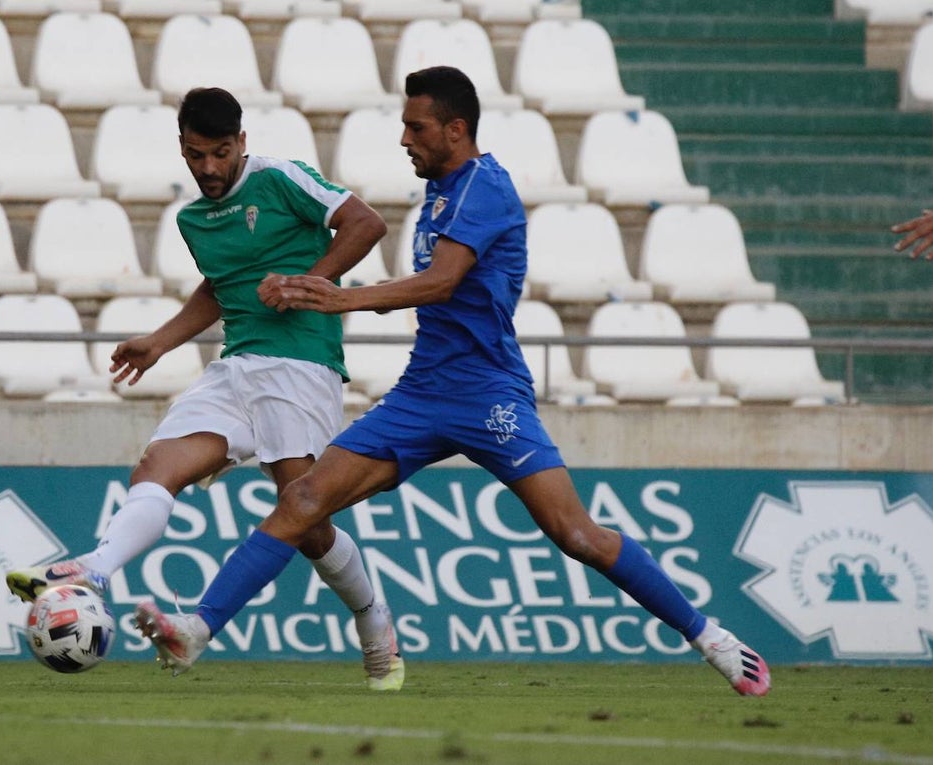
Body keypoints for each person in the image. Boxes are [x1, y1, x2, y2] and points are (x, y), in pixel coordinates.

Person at [133, 67, 772, 698]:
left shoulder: (484, 188)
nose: (405, 139)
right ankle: (198, 628)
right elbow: (419, 293)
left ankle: (711, 638)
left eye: (416, 127)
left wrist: (334, 296)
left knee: (576, 535)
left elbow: (440, 283)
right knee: (303, 501)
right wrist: (343, 293)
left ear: (455, 129)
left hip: (489, 394)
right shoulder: (437, 195)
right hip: (421, 394)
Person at [6, 86, 405, 692]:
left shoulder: (279, 179)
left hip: (299, 364)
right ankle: (93, 569)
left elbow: (365, 223)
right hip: (235, 366)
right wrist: (161, 341)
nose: (211, 168)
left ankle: (373, 620)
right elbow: (221, 288)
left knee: (307, 520)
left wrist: (307, 282)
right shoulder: (194, 219)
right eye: (197, 155)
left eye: (221, 152)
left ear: (241, 143)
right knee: (156, 466)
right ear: (183, 149)